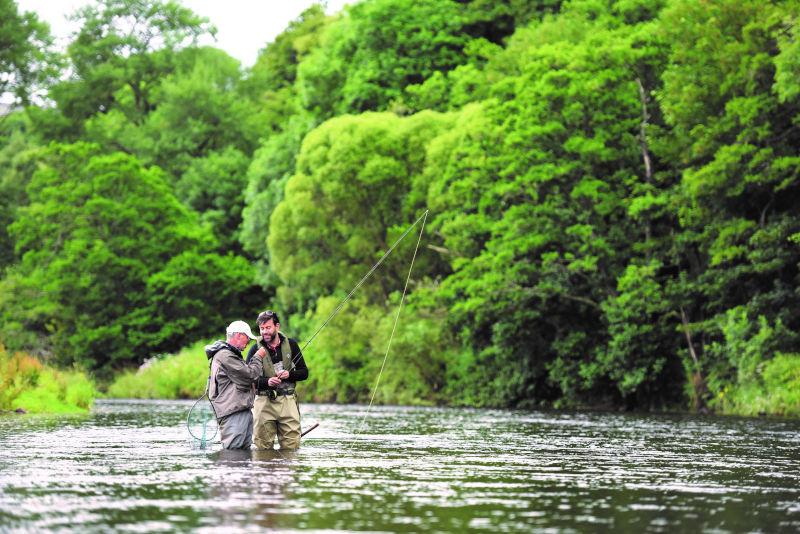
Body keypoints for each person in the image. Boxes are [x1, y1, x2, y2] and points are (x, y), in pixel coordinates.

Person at [246, 310, 309, 449]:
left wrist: (290, 375)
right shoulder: (254, 349)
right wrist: (266, 382)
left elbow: (304, 373)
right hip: (263, 402)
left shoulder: (291, 345)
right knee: (262, 448)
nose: (264, 332)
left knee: (291, 447)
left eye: (268, 327)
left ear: (277, 326)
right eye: (262, 329)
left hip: (288, 401)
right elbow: (246, 379)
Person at [206, 320, 266, 449]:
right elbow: (250, 375)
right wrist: (258, 357)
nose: (249, 342)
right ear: (239, 335)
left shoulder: (228, 354)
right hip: (233, 413)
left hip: (239, 410)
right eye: (247, 338)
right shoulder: (225, 355)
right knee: (233, 456)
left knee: (243, 456)